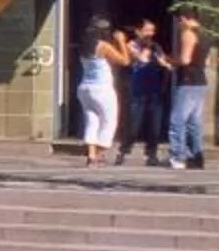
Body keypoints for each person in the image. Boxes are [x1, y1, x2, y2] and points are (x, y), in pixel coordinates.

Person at [75, 16, 126, 165]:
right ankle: (98, 153)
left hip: (85, 88)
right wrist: (121, 41)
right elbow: (124, 60)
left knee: (92, 121)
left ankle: (91, 155)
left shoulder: (84, 45)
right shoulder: (103, 46)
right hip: (102, 89)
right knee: (109, 121)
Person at [169, 10, 213, 169]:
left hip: (188, 80)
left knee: (177, 120)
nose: (179, 26)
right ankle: (196, 156)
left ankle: (178, 156)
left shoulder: (188, 34)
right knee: (194, 122)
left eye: (180, 22)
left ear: (184, 19)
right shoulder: (205, 35)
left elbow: (185, 59)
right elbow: (207, 62)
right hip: (200, 81)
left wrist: (170, 61)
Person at [127, 20, 174, 165]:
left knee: (155, 122)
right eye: (147, 30)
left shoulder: (156, 46)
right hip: (138, 88)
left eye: (152, 31)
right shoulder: (131, 45)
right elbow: (139, 58)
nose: (150, 34)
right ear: (138, 31)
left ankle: (152, 153)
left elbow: (163, 62)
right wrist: (146, 50)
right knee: (135, 122)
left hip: (154, 89)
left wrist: (167, 65)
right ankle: (125, 150)